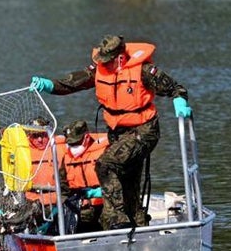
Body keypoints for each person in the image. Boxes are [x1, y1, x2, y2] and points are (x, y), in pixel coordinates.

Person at [30, 34, 192, 230]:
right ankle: (138, 226)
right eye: (101, 61)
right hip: (118, 132)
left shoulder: (144, 70)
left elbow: (176, 88)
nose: (103, 65)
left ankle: (118, 220)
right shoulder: (100, 69)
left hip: (144, 130)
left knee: (105, 165)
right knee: (127, 181)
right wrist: (49, 85)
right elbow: (74, 81)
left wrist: (180, 100)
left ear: (120, 58)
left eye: (108, 62)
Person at [58, 120, 108, 232]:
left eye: (77, 143)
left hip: (104, 203)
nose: (74, 147)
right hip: (79, 205)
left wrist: (94, 195)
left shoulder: (104, 152)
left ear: (86, 137)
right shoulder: (65, 158)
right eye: (71, 144)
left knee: (109, 216)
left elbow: (116, 184)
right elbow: (64, 188)